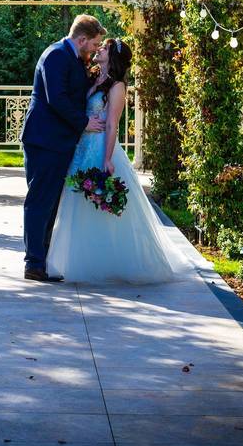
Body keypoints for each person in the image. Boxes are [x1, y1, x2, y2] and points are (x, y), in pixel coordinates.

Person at [46, 38, 210, 283]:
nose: (99, 48)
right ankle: (82, 259)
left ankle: (112, 262)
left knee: (101, 205)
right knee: (77, 202)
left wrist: (108, 158)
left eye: (105, 48)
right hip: (82, 146)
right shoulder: (92, 78)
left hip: (101, 147)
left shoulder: (117, 87)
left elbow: (112, 123)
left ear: (113, 57)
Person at [20, 14, 107, 281]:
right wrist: (84, 122)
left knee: (50, 203)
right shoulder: (56, 55)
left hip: (58, 142)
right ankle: (34, 263)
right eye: (94, 44)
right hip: (45, 141)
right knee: (40, 202)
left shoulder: (73, 57)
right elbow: (56, 98)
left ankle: (41, 261)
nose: (94, 51)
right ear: (82, 39)